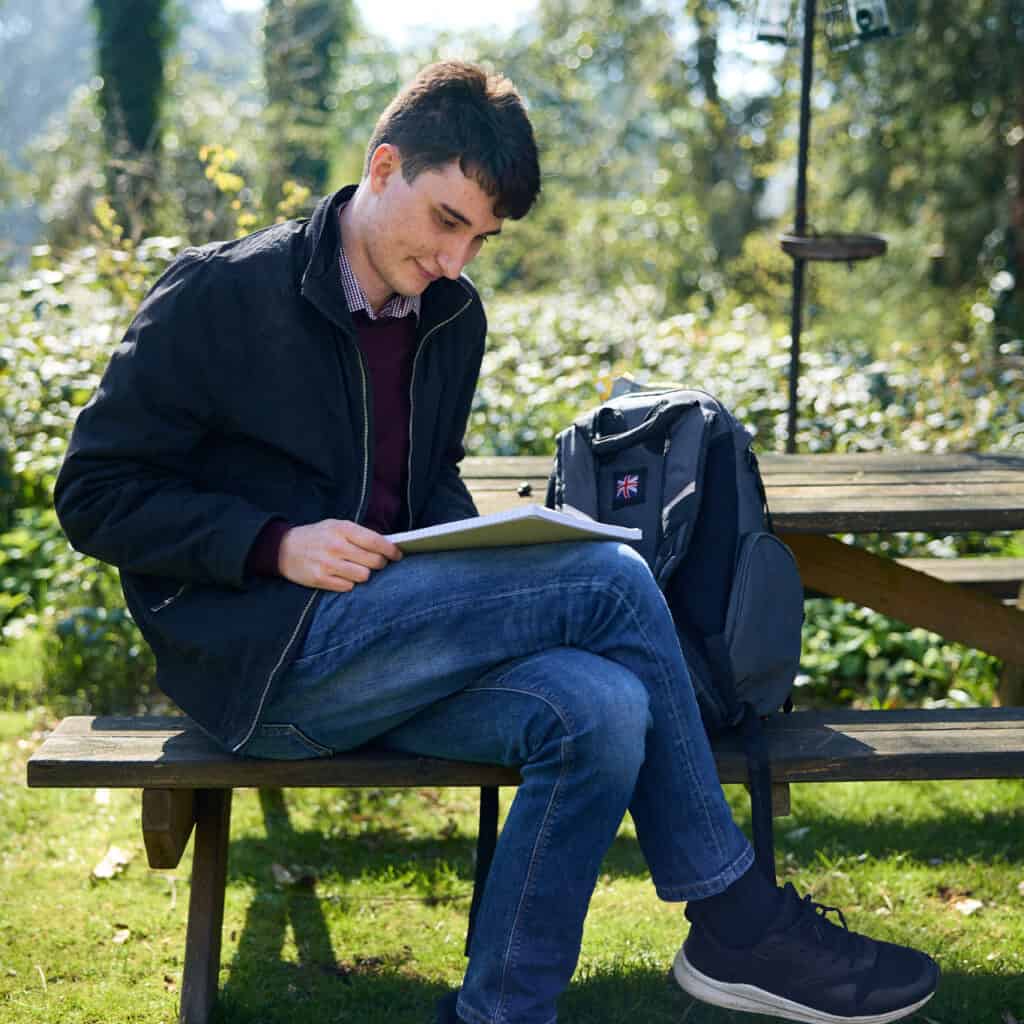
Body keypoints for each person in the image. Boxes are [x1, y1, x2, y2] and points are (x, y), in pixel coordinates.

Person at [54, 61, 939, 1024]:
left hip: (399, 646)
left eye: (482, 237)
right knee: (608, 577)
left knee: (602, 705)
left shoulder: (451, 317)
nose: (457, 260)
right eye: (446, 221)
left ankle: (499, 1015)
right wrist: (273, 543)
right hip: (267, 663)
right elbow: (95, 493)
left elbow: (420, 488)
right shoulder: (220, 295)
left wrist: (475, 546)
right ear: (383, 166)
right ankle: (733, 916)